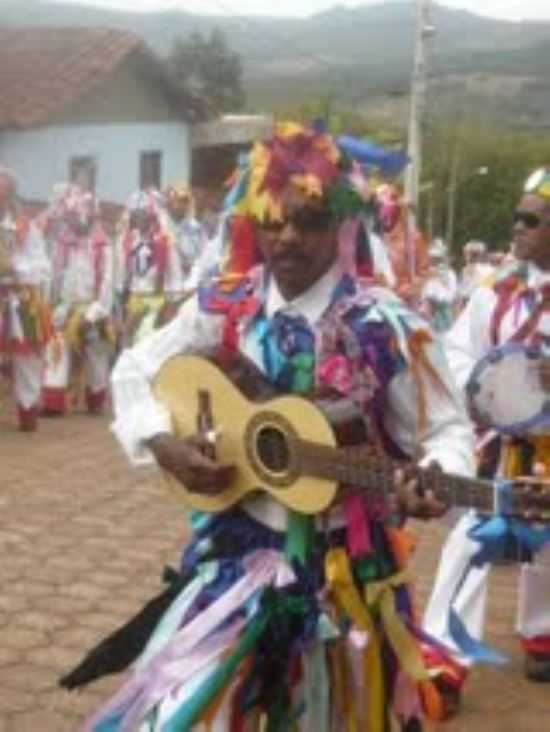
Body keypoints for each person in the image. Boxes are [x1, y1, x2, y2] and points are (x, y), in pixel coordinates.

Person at [74, 123, 475, 731]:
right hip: (234, 561)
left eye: (309, 221)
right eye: (271, 220)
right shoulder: (224, 303)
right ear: (251, 224)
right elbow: (135, 368)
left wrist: (438, 478)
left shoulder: (386, 324)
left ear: (342, 226)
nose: (287, 237)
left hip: (344, 581)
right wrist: (161, 441)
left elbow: (447, 430)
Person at [423, 167, 550, 717]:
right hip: (507, 448)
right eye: (517, 217)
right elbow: (455, 352)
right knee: (474, 540)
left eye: (530, 219)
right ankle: (441, 663)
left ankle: (542, 634)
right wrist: (485, 392)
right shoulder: (496, 294)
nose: (516, 227)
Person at [40, 183, 115, 415]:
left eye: (83, 216)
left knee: (97, 348)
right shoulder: (61, 245)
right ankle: (53, 401)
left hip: (93, 307)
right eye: (72, 217)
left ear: (92, 217)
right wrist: (49, 306)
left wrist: (96, 312)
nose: (78, 221)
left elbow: (108, 283)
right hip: (65, 306)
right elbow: (51, 277)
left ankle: (95, 398)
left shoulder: (104, 246)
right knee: (56, 346)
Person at [0, 167, 52, 431]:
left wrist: (15, 268)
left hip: (20, 297)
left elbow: (43, 266)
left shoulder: (26, 226)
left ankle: (28, 409)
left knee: (28, 357)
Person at [114, 189, 180, 346]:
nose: (138, 218)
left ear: (152, 215)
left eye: (142, 213)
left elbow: (175, 277)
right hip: (134, 301)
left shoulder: (164, 243)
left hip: (157, 302)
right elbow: (121, 278)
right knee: (129, 345)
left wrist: (171, 306)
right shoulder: (129, 242)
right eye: (135, 214)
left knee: (147, 342)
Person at [162, 183, 206, 301]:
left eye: (184, 201)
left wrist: (193, 282)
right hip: (164, 289)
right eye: (176, 201)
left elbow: (201, 259)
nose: (179, 205)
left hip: (188, 288)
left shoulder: (196, 229)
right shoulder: (160, 228)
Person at [419, 239, 458, 333]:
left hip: (443, 313)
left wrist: (436, 300)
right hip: (429, 314)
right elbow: (424, 293)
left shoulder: (449, 274)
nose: (434, 262)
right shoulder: (428, 274)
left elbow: (451, 296)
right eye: (433, 259)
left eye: (437, 259)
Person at [456, 240, 494, 310]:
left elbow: (464, 292)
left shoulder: (468, 269)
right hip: (486, 305)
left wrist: (460, 304)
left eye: (466, 254)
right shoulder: (491, 270)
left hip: (472, 305)